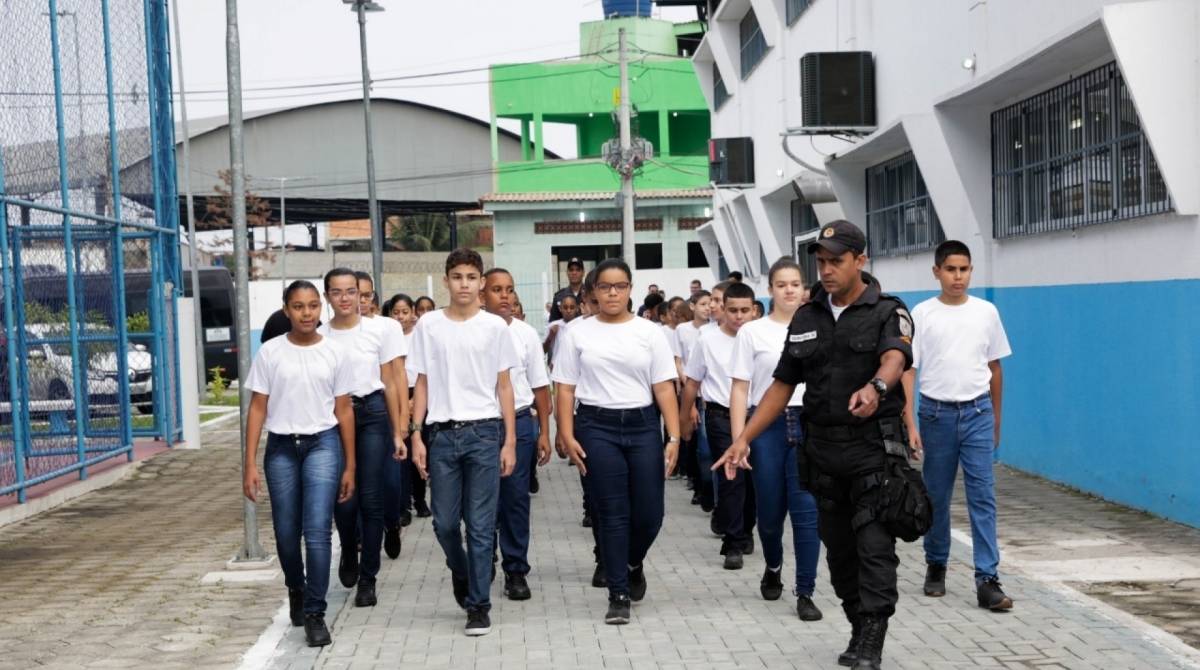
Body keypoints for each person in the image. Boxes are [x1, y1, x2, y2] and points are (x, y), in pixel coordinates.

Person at [721, 220, 914, 670]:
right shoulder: (808, 317)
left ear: (860, 261)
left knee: (873, 547)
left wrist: (878, 389)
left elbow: (895, 358)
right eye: (821, 261)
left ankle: (872, 638)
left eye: (836, 261)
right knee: (841, 551)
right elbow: (781, 385)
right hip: (823, 453)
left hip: (873, 451)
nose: (825, 269)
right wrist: (743, 438)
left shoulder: (887, 310)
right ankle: (857, 624)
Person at [553, 258, 681, 626]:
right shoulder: (576, 332)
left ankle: (631, 561)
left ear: (630, 290)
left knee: (650, 514)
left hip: (642, 426)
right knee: (611, 513)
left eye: (620, 286)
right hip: (596, 425)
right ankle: (618, 593)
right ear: (592, 291)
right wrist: (565, 432)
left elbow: (663, 387)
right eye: (605, 287)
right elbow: (565, 387)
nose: (612, 292)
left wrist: (673, 437)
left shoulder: (650, 332)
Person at [408, 248, 520, 637]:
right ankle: (462, 569)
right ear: (446, 281)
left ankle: (478, 605)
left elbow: (504, 386)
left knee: (481, 524)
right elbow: (420, 381)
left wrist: (509, 442)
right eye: (457, 277)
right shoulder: (428, 326)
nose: (464, 284)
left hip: (485, 433)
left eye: (471, 277)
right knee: (442, 523)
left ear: (481, 283)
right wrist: (415, 432)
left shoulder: (494, 328)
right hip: (441, 434)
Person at [242, 280, 357, 647]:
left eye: (311, 306)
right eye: (298, 306)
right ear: (286, 309)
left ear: (320, 307)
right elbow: (258, 407)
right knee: (287, 534)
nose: (306, 313)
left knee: (318, 530)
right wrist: (249, 464)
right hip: (281, 449)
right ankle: (296, 585)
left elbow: (343, 410)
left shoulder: (335, 352)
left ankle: (315, 613)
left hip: (323, 444)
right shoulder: (271, 353)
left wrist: (350, 464)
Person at [900, 240, 1013, 611]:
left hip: (977, 413)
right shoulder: (923, 313)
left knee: (983, 496)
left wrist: (995, 418)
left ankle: (987, 578)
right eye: (951, 269)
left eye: (964, 269)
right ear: (937, 272)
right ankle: (936, 563)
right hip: (936, 415)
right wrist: (911, 421)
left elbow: (995, 368)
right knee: (937, 495)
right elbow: (909, 369)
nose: (958, 277)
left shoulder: (986, 312)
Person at [725, 257, 823, 621]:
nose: (789, 290)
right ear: (770, 290)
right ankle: (774, 566)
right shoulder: (753, 332)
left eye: (795, 284)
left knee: (806, 513)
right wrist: (740, 439)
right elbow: (739, 388)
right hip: (766, 428)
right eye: (781, 284)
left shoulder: (819, 328)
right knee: (769, 513)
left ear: (804, 289)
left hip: (809, 426)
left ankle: (806, 590)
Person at [319, 269, 408, 610]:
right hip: (334, 417)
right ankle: (348, 549)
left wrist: (400, 430)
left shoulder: (379, 330)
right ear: (327, 296)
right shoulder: (320, 335)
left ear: (361, 294)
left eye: (351, 291)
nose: (345, 298)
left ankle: (368, 578)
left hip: (372, 414)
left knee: (371, 498)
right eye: (337, 292)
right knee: (344, 498)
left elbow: (392, 379)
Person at [482, 268, 553, 601]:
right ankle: (484, 558)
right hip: (480, 425)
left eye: (509, 289)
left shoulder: (525, 333)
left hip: (522, 423)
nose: (505, 296)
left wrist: (544, 433)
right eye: (497, 289)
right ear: (482, 294)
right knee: (483, 501)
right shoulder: (472, 331)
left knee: (515, 500)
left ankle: (515, 569)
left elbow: (541, 386)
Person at [680, 282, 757, 569]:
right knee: (731, 477)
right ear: (722, 310)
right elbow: (692, 382)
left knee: (754, 480)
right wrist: (684, 417)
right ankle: (733, 540)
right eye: (733, 310)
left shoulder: (760, 337)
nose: (738, 316)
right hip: (720, 416)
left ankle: (747, 528)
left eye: (744, 311)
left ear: (754, 311)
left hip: (757, 417)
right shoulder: (707, 340)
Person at [355, 271, 413, 558]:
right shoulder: (331, 330)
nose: (360, 301)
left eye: (366, 295)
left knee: (390, 483)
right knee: (357, 485)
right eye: (355, 294)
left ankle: (392, 523)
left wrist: (402, 421)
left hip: (384, 414)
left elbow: (398, 375)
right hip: (348, 417)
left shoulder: (387, 327)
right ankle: (362, 539)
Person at [542, 294, 579, 358]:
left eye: (572, 307)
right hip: (558, 366)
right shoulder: (553, 326)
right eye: (565, 307)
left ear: (577, 308)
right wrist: (550, 336)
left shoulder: (581, 325)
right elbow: (542, 351)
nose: (568, 310)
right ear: (560, 308)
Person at [548, 257, 585, 322]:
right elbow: (553, 322)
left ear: (583, 273)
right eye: (571, 270)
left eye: (578, 270)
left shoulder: (590, 294)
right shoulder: (559, 296)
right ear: (567, 272)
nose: (574, 273)